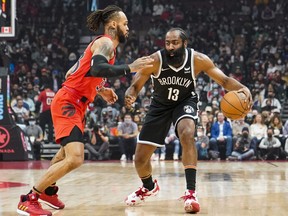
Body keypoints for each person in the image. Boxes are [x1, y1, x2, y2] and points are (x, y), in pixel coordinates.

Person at [17, 5, 154, 216]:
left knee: (64, 156)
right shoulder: (106, 42)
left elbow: (72, 72)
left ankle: (48, 191)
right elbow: (96, 69)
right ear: (113, 24)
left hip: (76, 103)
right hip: (68, 103)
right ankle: (29, 199)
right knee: (75, 157)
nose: (128, 28)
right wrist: (131, 67)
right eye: (125, 24)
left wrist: (99, 90)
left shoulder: (101, 45)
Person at [124, 28, 252, 213]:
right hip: (159, 106)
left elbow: (223, 80)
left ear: (185, 43)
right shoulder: (155, 60)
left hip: (185, 102)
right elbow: (135, 85)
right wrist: (131, 94)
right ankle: (149, 187)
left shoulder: (198, 59)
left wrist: (243, 89)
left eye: (175, 43)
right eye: (167, 43)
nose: (170, 47)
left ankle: (191, 192)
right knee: (140, 160)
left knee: (188, 133)